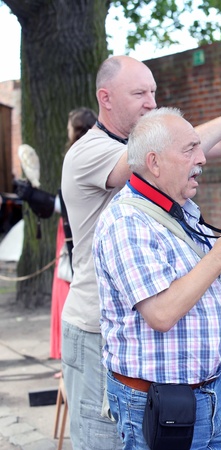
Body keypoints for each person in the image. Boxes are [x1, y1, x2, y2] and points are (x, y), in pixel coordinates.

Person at [61, 55, 221, 450]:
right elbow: (144, 158)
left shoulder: (176, 191)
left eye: (153, 92)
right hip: (101, 331)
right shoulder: (93, 154)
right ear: (106, 98)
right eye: (139, 93)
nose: (151, 101)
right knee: (103, 443)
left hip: (188, 371)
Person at [93, 107, 221, 449]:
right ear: (154, 162)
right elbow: (161, 314)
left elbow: (207, 288)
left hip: (217, 390)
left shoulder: (182, 208)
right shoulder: (126, 222)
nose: (202, 158)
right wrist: (218, 256)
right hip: (159, 403)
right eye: (190, 149)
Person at [50, 107, 97, 365]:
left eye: (69, 126)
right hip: (69, 228)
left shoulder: (80, 156)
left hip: (77, 232)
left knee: (70, 286)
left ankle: (71, 357)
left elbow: (67, 203)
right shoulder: (80, 154)